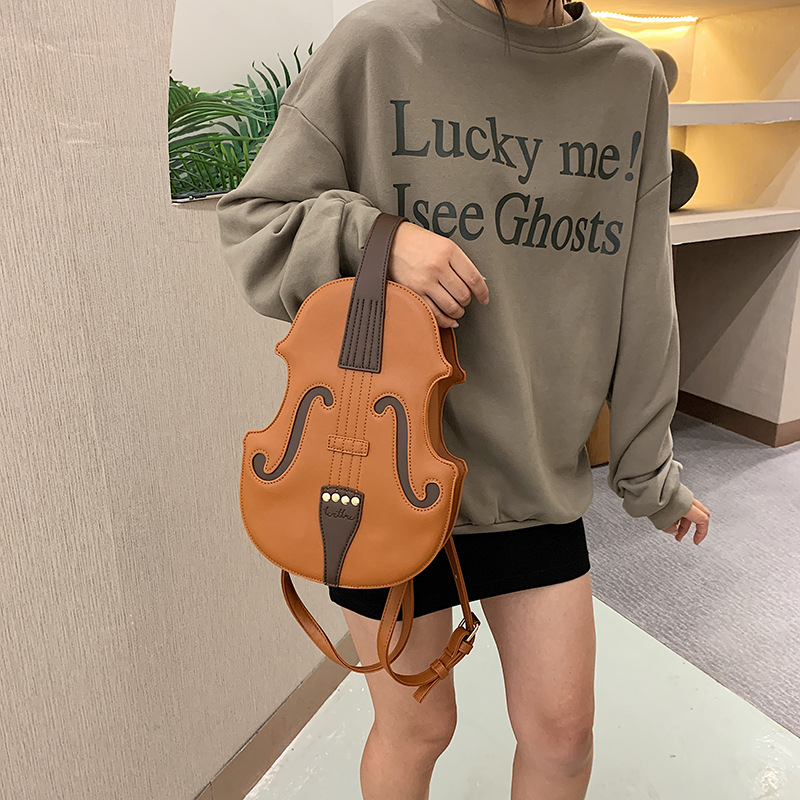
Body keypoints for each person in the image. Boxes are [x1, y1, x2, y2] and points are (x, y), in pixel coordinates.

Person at [216, 0, 712, 797]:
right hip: (383, 468)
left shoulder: (630, 79)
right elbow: (254, 221)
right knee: (417, 728)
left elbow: (645, 289)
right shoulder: (380, 43)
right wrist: (380, 238)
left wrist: (650, 471)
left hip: (533, 473)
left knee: (563, 737)